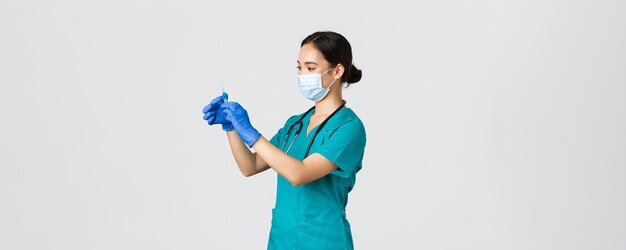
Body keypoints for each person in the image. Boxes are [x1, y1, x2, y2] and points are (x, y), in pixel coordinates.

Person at [202, 31, 366, 250]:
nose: (302, 74)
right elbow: (249, 166)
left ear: (337, 71)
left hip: (323, 241)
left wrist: (252, 135)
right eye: (299, 68)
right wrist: (232, 128)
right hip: (282, 240)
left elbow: (299, 174)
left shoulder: (349, 127)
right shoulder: (294, 125)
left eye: (310, 68)